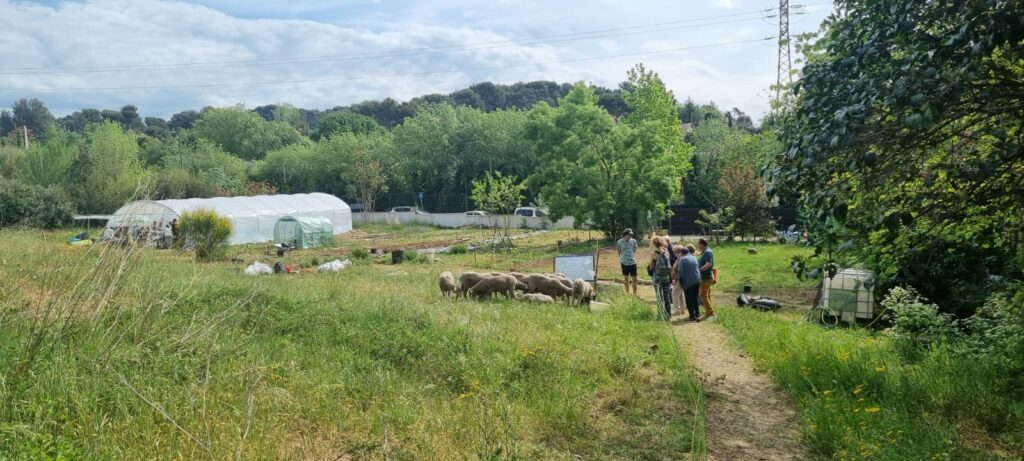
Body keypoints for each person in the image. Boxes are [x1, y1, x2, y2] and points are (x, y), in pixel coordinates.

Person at [648, 236, 673, 321]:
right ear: (662, 242)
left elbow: (651, 267)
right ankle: (668, 315)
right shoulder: (667, 252)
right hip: (666, 277)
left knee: (659, 297)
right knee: (667, 297)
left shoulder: (654, 253)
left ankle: (660, 316)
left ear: (654, 243)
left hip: (657, 277)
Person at [678, 246, 702, 321]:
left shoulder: (682, 260)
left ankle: (692, 316)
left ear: (681, 253)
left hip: (688, 282)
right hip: (697, 280)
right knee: (695, 298)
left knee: (688, 299)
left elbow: (681, 273)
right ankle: (697, 314)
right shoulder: (694, 257)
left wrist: (681, 284)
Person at [697, 238, 717, 320]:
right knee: (706, 295)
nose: (697, 245)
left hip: (706, 277)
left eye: (698, 244)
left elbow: (708, 264)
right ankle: (708, 313)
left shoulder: (708, 252)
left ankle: (712, 314)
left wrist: (698, 270)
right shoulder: (705, 252)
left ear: (702, 244)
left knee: (703, 296)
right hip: (705, 277)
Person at [616, 228, 639, 295]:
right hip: (624, 263)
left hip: (632, 262)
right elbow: (619, 251)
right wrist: (623, 258)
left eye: (631, 235)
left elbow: (634, 250)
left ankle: (635, 293)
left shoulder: (634, 241)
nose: (630, 236)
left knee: (634, 278)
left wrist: (631, 256)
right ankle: (627, 293)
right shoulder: (619, 242)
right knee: (626, 278)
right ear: (625, 234)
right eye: (629, 235)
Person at [670, 246, 686, 316]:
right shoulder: (681, 258)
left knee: (674, 294)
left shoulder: (680, 259)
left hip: (678, 279)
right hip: (681, 279)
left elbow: (678, 271)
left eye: (675, 252)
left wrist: (675, 279)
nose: (674, 253)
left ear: (678, 252)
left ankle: (676, 310)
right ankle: (682, 309)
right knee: (680, 294)